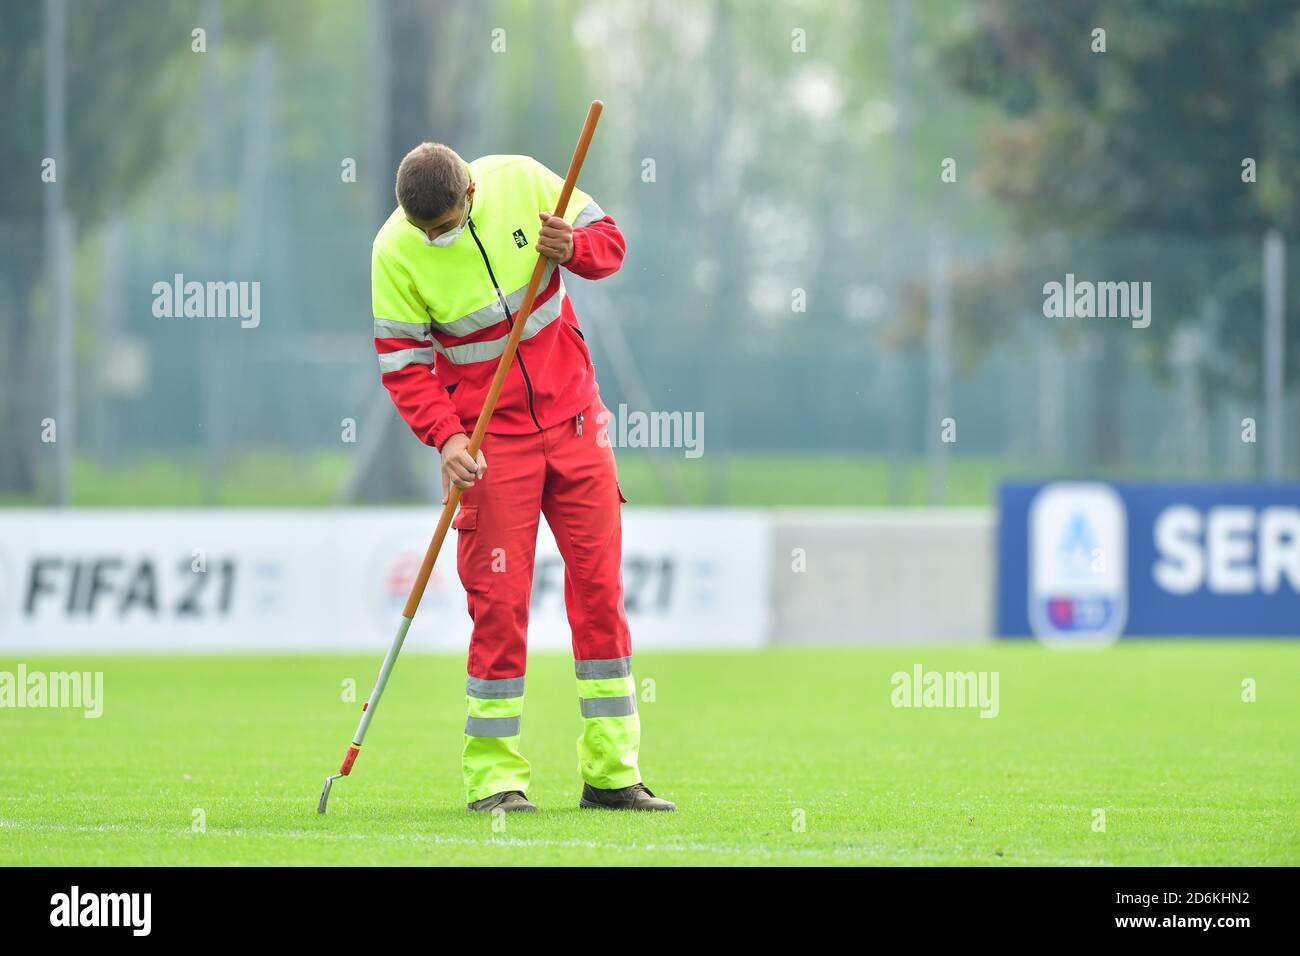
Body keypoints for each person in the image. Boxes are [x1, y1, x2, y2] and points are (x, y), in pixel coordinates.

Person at [370, 143, 674, 812]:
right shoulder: (394, 250)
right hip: (488, 447)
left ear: (471, 194)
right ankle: (495, 781)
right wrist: (446, 438)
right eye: (424, 230)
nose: (433, 240)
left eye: (443, 226)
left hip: (576, 422)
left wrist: (575, 249)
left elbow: (611, 244)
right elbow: (403, 364)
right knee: (499, 607)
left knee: (599, 592)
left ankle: (613, 773)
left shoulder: (524, 179)